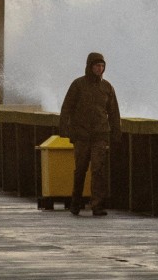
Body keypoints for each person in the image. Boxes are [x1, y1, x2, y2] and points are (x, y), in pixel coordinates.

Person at [58, 52, 121, 216]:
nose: (100, 69)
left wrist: (116, 133)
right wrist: (64, 128)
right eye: (97, 66)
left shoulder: (107, 87)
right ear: (89, 67)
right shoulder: (78, 85)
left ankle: (97, 205)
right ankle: (75, 202)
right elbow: (67, 108)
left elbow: (114, 112)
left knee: (98, 170)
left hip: (100, 134)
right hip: (81, 135)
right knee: (80, 169)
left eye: (102, 66)